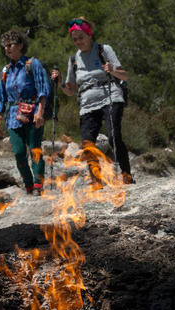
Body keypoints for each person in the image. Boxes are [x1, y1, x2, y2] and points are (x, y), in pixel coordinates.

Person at [50, 17, 134, 185]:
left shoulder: (103, 50)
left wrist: (112, 70)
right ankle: (96, 179)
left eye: (81, 37)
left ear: (89, 35)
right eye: (75, 39)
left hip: (110, 95)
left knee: (114, 137)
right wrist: (60, 82)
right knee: (88, 143)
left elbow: (124, 76)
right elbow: (70, 91)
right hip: (87, 103)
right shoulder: (73, 59)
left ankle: (126, 174)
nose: (78, 42)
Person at [0, 30, 50, 196]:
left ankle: (38, 184)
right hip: (13, 117)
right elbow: (1, 96)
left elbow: (43, 90)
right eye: (5, 46)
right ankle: (28, 185)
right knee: (19, 153)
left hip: (33, 113)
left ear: (20, 45)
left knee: (34, 149)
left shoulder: (33, 64)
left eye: (10, 45)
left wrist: (40, 112)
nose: (7, 49)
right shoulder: (5, 71)